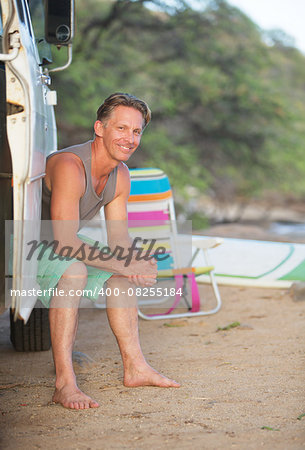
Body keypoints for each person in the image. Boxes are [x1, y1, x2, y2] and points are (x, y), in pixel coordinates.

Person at [39, 92, 180, 410]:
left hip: (59, 243)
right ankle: (64, 383)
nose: (130, 138)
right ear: (99, 128)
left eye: (136, 131)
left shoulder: (121, 175)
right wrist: (123, 264)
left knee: (121, 277)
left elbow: (119, 240)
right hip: (25, 246)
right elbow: (63, 241)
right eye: (121, 128)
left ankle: (136, 367)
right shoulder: (70, 165)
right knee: (74, 270)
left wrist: (136, 263)